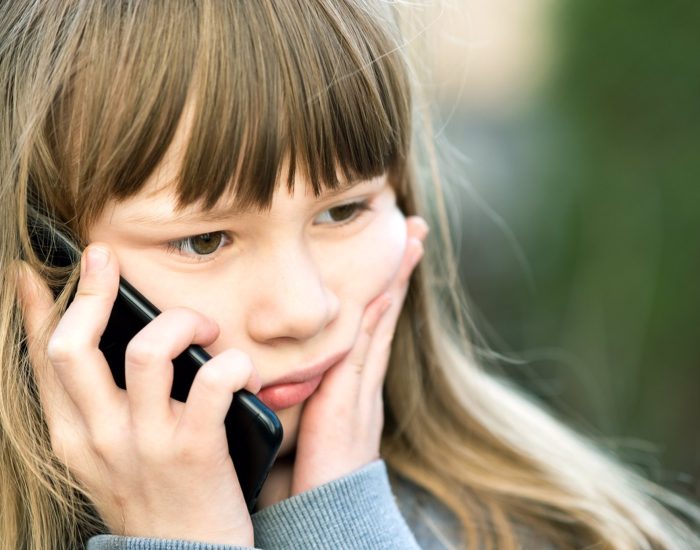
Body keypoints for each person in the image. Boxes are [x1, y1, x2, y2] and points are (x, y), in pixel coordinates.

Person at [1, 1, 698, 549]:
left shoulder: (573, 530)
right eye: (205, 239)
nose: (305, 310)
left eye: (343, 211)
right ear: (46, 257)